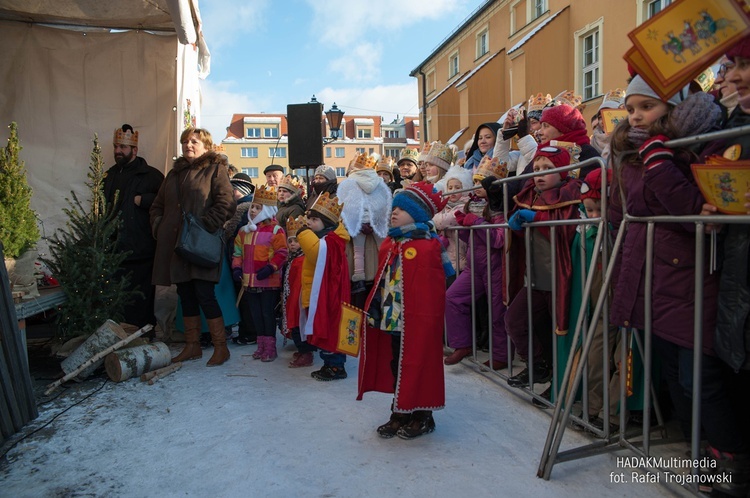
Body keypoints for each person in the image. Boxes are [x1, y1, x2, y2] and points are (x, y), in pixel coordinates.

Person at [609, 74, 750, 492]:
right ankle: (701, 451)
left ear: (671, 109)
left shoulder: (692, 146)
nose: (636, 116)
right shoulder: (639, 150)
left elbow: (691, 212)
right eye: (632, 108)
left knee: (698, 377)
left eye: (646, 107)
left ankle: (730, 462)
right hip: (651, 271)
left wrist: (659, 161)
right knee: (672, 370)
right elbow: (625, 210)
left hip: (689, 274)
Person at [358, 181, 453, 439]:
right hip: (393, 318)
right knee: (397, 363)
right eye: (394, 208)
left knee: (419, 363)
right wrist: (375, 306)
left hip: (418, 321)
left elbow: (436, 285)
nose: (394, 212)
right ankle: (400, 411)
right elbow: (382, 280)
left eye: (402, 208)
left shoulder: (429, 245)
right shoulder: (390, 243)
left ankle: (423, 415)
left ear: (420, 213)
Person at [150, 127, 236, 366]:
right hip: (176, 246)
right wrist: (159, 225)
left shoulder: (215, 170)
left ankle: (221, 348)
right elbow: (157, 206)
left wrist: (207, 225)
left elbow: (226, 202)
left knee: (204, 295)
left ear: (206, 146)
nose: (189, 145)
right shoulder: (173, 175)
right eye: (185, 141)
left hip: (200, 244)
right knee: (185, 296)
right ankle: (192, 346)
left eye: (194, 141)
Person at [505, 146, 582, 389]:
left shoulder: (570, 193)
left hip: (561, 278)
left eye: (548, 169)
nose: (540, 174)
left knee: (561, 332)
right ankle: (538, 366)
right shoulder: (530, 195)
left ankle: (563, 383)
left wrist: (535, 219)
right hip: (535, 278)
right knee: (515, 321)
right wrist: (516, 229)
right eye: (537, 169)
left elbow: (567, 230)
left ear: (564, 172)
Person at [443, 157, 510, 370]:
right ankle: (462, 344)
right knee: (452, 297)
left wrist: (476, 223)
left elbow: (499, 239)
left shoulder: (500, 207)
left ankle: (502, 355)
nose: (478, 187)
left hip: (495, 266)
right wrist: (463, 228)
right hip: (474, 265)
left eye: (483, 183)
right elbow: (475, 238)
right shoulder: (474, 203)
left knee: (497, 311)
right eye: (477, 181)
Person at [103, 124, 164, 333]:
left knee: (142, 297)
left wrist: (144, 200)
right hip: (115, 249)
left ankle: (144, 334)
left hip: (142, 248)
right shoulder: (108, 175)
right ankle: (122, 335)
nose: (118, 151)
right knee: (119, 297)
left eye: (123, 147)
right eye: (116, 146)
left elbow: (165, 203)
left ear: (134, 150)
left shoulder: (152, 175)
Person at [296, 192, 351, 381]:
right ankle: (329, 364)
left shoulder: (331, 241)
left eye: (314, 219)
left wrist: (302, 233)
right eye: (308, 219)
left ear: (327, 223)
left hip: (327, 296)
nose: (309, 222)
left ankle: (335, 366)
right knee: (323, 328)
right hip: (318, 293)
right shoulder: (325, 239)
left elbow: (316, 254)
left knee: (329, 328)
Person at [232, 184, 288, 362]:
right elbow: (237, 252)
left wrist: (271, 268)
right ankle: (261, 344)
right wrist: (237, 268)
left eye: (258, 208)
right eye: (253, 207)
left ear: (267, 210)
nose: (254, 210)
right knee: (255, 314)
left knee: (266, 313)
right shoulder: (244, 231)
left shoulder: (275, 230)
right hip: (249, 281)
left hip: (268, 281)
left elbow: (282, 253)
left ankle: (270, 346)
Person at [337, 153, 392, 294]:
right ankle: (386, 273)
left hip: (358, 222)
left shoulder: (349, 182)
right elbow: (385, 202)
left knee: (358, 252)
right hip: (377, 221)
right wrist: (376, 220)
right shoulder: (378, 182)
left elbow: (346, 205)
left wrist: (357, 220)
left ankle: (359, 278)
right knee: (383, 249)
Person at [223, 173, 257, 345]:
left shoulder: (243, 210)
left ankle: (249, 333)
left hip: (243, 260)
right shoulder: (245, 207)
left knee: (245, 298)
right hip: (242, 260)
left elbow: (238, 239)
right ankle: (248, 331)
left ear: (238, 191)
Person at [282, 215, 315, 368]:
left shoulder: (302, 260)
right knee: (295, 326)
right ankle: (302, 351)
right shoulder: (292, 258)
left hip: (299, 298)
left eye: (297, 241)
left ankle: (306, 353)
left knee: (299, 326)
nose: (293, 244)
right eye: (290, 241)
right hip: (292, 297)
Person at [434, 165, 474, 274]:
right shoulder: (445, 205)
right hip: (445, 258)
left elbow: (442, 221)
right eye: (450, 188)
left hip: (459, 259)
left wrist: (435, 217)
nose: (453, 191)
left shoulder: (466, 206)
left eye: (457, 188)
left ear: (465, 189)